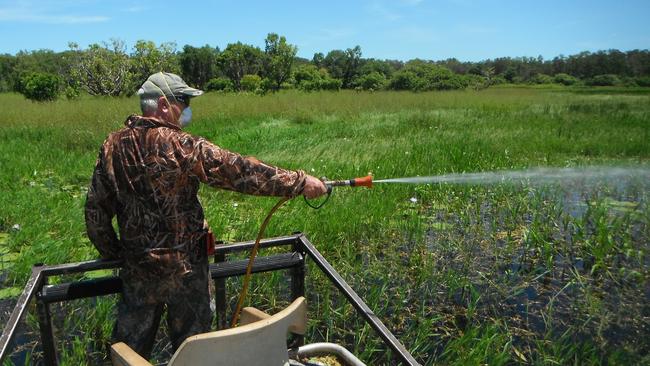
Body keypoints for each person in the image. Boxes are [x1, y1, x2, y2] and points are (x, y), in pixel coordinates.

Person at [84, 72, 327, 359]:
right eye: (183, 101)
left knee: (129, 353)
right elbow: (240, 171)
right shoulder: (180, 144)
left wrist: (119, 254)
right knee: (196, 352)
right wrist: (300, 182)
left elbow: (96, 215)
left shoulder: (112, 146)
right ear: (163, 104)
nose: (187, 110)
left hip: (138, 273)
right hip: (187, 275)